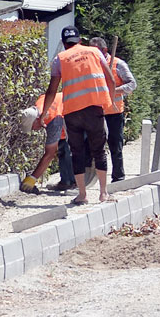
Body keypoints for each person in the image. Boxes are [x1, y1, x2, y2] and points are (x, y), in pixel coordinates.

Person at [36, 26, 117, 205]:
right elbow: (110, 79)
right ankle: (103, 193)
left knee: (77, 152)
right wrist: (109, 103)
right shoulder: (94, 52)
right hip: (94, 109)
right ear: (80, 40)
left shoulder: (60, 59)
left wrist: (43, 115)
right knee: (99, 151)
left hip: (72, 112)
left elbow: (51, 90)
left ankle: (82, 195)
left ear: (64, 44)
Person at [89, 36, 137, 183]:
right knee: (94, 148)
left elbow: (132, 84)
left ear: (104, 50)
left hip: (114, 113)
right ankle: (91, 179)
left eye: (95, 51)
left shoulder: (118, 64)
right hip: (96, 113)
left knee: (115, 147)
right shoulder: (91, 65)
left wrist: (113, 90)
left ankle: (118, 178)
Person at [19, 92, 73, 194]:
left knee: (68, 151)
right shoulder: (39, 105)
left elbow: (49, 154)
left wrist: (32, 178)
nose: (33, 130)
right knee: (62, 147)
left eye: (32, 127)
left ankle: (73, 184)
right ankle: (66, 182)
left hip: (74, 112)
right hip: (66, 108)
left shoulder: (52, 119)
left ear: (37, 119)